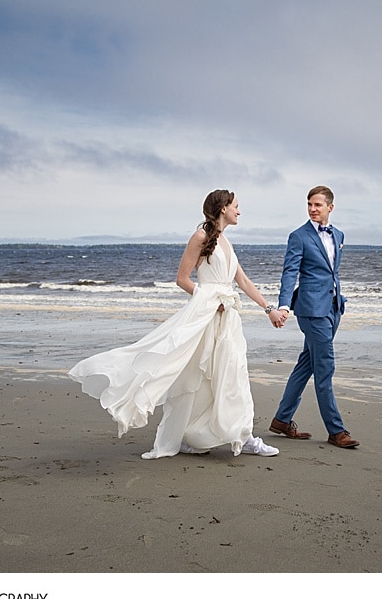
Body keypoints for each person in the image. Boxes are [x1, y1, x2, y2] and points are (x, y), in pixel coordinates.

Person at [68, 189, 286, 459]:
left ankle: (242, 435)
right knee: (197, 377)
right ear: (223, 209)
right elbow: (183, 279)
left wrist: (269, 309)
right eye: (236, 206)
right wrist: (209, 300)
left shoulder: (227, 243)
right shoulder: (200, 237)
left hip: (228, 319)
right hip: (205, 317)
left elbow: (242, 281)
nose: (239, 211)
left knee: (233, 374)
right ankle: (198, 436)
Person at [268, 185, 360, 449]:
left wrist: (337, 301)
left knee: (307, 363)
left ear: (330, 207)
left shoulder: (339, 235)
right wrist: (284, 305)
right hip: (310, 310)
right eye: (309, 204)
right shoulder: (298, 236)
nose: (312, 209)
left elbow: (332, 272)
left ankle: (282, 419)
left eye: (318, 205)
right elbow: (289, 272)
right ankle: (336, 430)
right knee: (325, 368)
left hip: (333, 307)